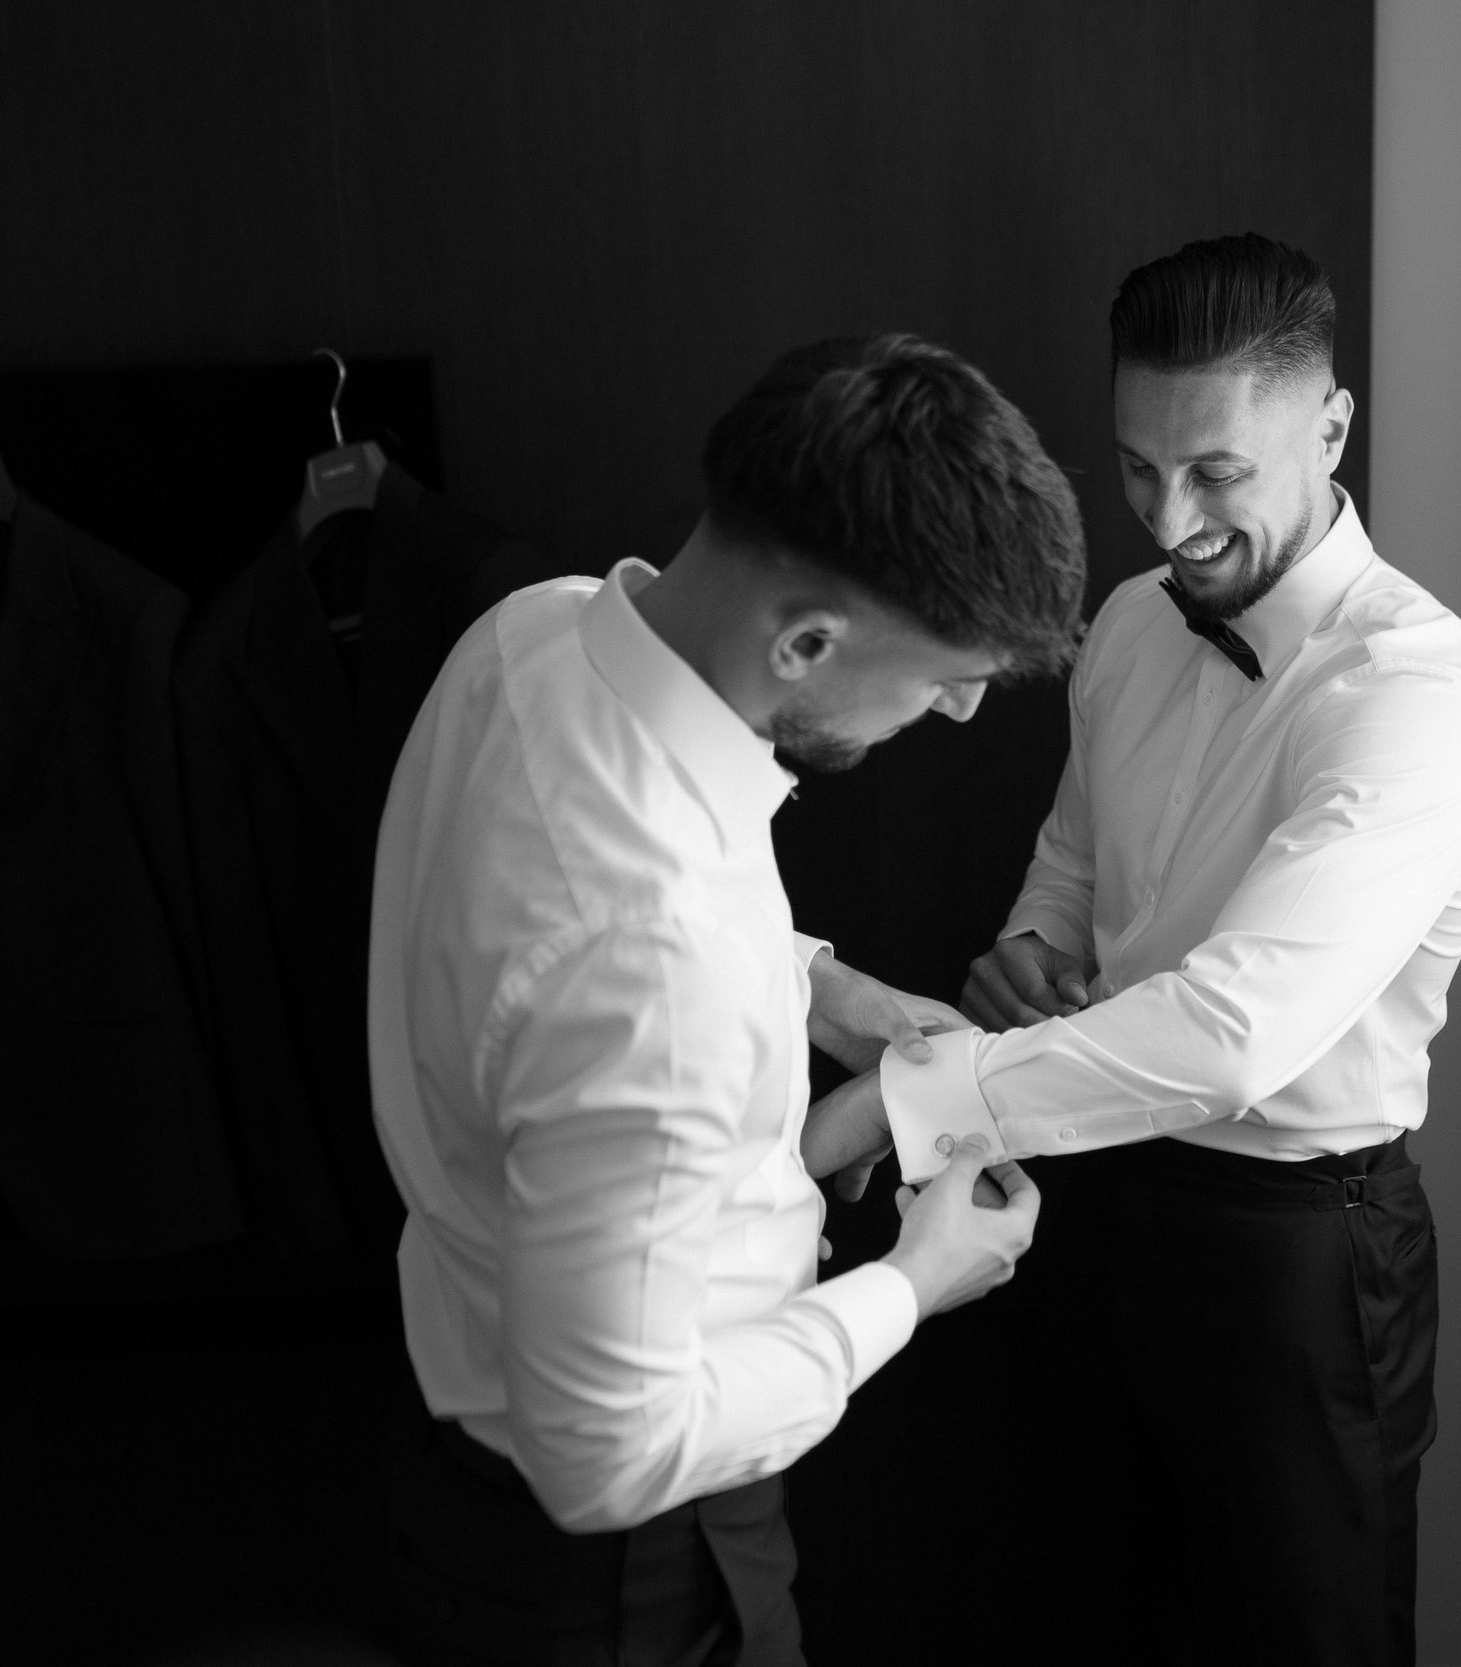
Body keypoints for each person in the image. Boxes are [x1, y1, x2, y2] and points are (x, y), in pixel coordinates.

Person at [805, 235, 1461, 1665]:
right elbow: (1074, 862)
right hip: (1084, 1197)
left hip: (1295, 1261)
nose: (1166, 519)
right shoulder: (1130, 622)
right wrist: (1027, 948)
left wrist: (916, 1098)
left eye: (1215, 473)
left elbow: (1237, 1034)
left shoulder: (1411, 694)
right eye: (1136, 468)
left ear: (1330, 427)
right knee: (1087, 1618)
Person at [368, 332, 1083, 1667]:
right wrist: (914, 1287)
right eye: (944, 674)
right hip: (621, 1574)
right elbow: (606, 1460)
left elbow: (558, 939)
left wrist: (829, 990)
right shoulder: (650, 960)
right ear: (807, 643)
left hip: (464, 1464)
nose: (967, 711)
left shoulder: (532, 637)